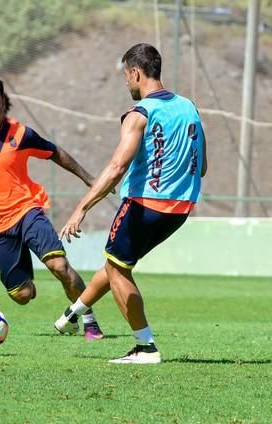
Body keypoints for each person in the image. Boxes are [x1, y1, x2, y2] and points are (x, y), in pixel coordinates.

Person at [55, 43, 208, 364]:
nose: (127, 83)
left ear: (136, 73)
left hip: (144, 205)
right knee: (116, 264)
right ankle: (72, 313)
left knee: (118, 270)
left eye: (126, 76)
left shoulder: (140, 113)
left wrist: (82, 207)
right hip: (180, 208)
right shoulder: (189, 107)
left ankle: (145, 346)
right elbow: (202, 166)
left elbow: (116, 167)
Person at [0, 74, 103, 339]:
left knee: (59, 266)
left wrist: (90, 179)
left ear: (4, 103)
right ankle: (27, 276)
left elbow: (55, 152)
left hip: (27, 212)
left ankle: (88, 319)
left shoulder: (20, 134)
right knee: (22, 296)